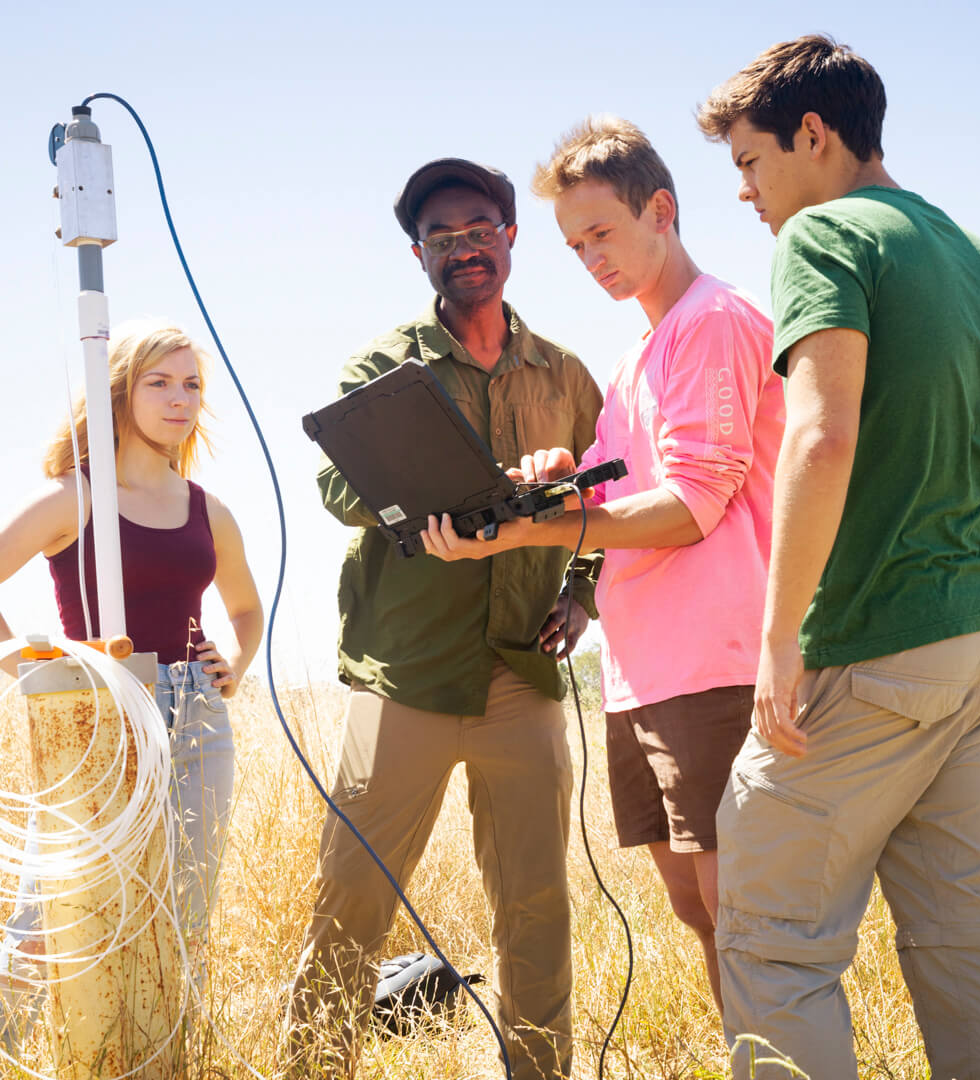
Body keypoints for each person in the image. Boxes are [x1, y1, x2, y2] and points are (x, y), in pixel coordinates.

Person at [695, 35, 980, 1080]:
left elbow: (821, 435)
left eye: (750, 162)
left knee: (771, 942)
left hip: (872, 648)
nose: (746, 192)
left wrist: (779, 641)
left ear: (813, 134)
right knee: (974, 941)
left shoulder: (826, 235)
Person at [420, 116, 783, 1019]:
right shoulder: (633, 362)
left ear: (660, 209)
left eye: (601, 234)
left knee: (749, 924)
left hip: (720, 662)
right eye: (574, 246)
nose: (590, 259)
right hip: (644, 672)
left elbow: (691, 507)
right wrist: (556, 480)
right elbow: (614, 491)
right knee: (702, 915)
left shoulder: (713, 322)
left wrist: (523, 534)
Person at [283, 158, 603, 1080]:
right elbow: (336, 482)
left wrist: (583, 591)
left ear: (511, 238)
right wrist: (430, 499)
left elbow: (607, 494)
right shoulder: (384, 367)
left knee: (536, 907)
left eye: (479, 229)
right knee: (352, 899)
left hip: (523, 675)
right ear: (417, 254)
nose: (464, 247)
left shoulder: (566, 376)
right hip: (406, 676)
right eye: (442, 236)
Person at [0, 319, 263, 1076]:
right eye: (160, 383)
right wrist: (42, 679)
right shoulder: (75, 497)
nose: (180, 399)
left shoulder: (207, 510)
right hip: (101, 719)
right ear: (118, 392)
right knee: (46, 929)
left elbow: (246, 609)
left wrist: (235, 666)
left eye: (192, 385)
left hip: (197, 722)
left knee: (180, 924)